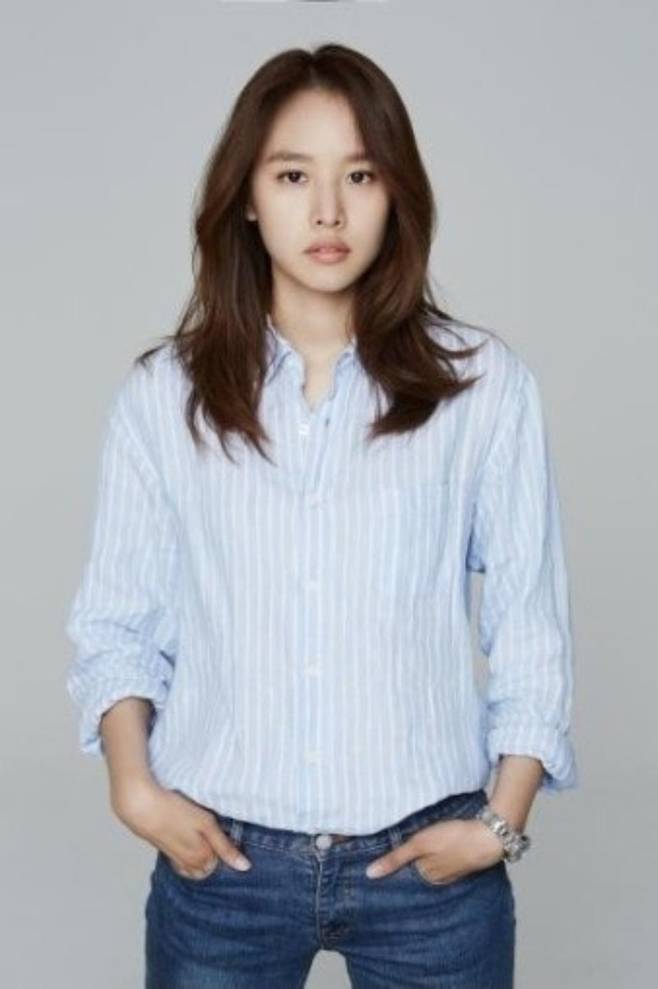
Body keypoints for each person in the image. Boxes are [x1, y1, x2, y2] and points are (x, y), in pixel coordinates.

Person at [65, 42, 578, 989]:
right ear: (247, 197)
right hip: (222, 866)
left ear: (398, 195)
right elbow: (116, 623)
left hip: (430, 868)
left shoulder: (483, 388)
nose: (329, 211)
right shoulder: (163, 397)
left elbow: (529, 627)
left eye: (362, 175)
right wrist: (134, 789)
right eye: (294, 175)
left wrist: (500, 823)